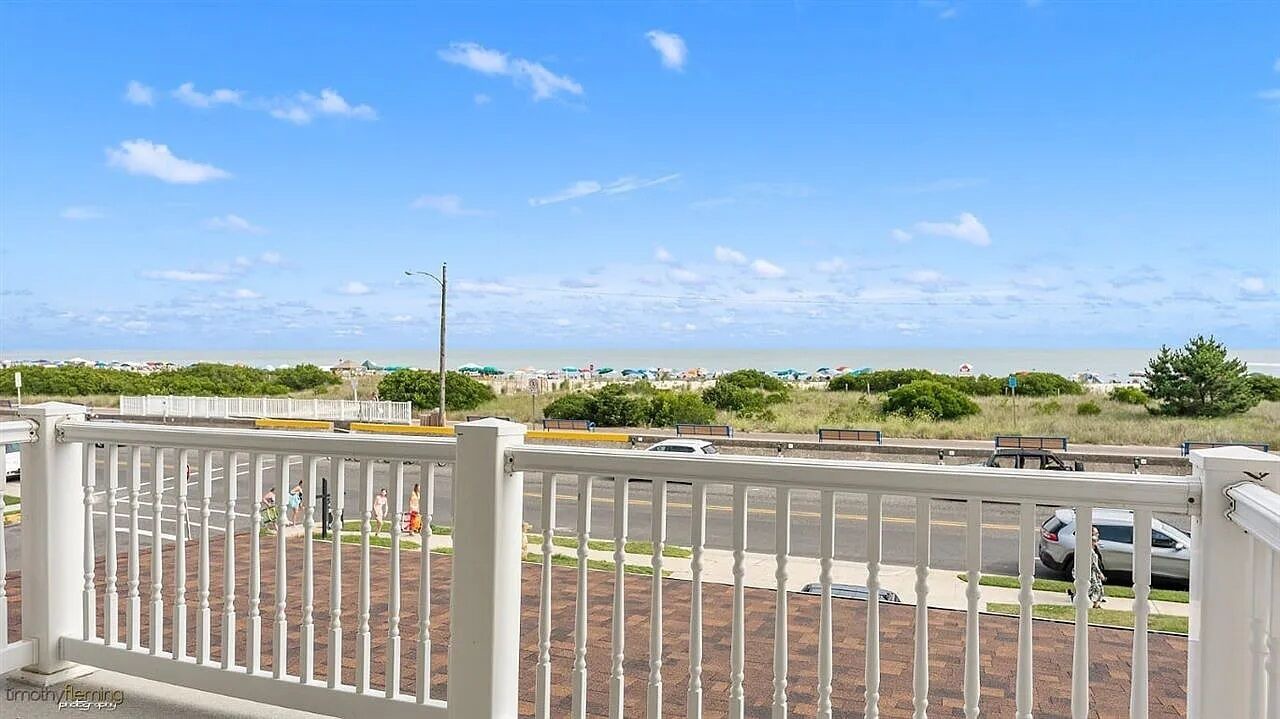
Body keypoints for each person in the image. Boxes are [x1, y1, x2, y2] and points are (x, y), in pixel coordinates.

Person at [1068, 526, 1107, 608]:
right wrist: (1100, 573)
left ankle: (1095, 602)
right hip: (1090, 572)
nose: (1097, 536)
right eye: (1095, 534)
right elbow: (1093, 563)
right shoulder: (1087, 549)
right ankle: (1093, 602)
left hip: (1093, 572)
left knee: (1094, 587)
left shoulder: (1093, 549)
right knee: (1094, 587)